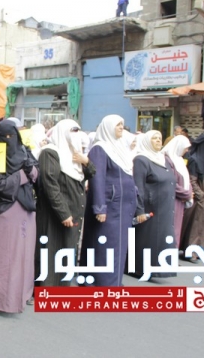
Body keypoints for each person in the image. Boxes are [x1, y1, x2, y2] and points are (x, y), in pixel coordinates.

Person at [80, 115, 138, 286]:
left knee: (119, 245)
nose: (121, 127)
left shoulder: (119, 148)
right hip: (110, 206)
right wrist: (100, 207)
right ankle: (102, 282)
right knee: (105, 245)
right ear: (108, 127)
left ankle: (114, 281)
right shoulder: (99, 149)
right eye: (117, 125)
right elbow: (97, 179)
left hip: (123, 207)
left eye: (122, 124)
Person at [0, 120, 38, 312]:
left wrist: (29, 171)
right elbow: (0, 186)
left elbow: (36, 174)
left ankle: (21, 295)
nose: (9, 140)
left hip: (26, 210)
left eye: (12, 136)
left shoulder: (25, 151)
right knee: (3, 257)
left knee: (24, 256)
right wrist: (23, 175)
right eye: (4, 137)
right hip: (4, 211)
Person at [35, 120, 94, 286]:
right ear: (63, 132)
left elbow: (91, 173)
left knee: (67, 251)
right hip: (56, 214)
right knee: (52, 250)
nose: (76, 135)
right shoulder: (50, 153)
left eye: (77, 131)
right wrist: (63, 213)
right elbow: (50, 184)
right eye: (72, 131)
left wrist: (86, 161)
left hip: (73, 212)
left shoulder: (74, 155)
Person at [131, 130, 177, 278]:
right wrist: (139, 210)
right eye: (154, 138)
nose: (158, 140)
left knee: (162, 239)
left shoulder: (162, 159)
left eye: (160, 138)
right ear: (146, 141)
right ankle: (140, 268)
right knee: (147, 239)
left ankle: (160, 268)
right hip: (150, 207)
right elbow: (138, 186)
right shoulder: (141, 160)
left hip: (164, 207)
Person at [180, 133, 204, 261]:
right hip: (199, 198)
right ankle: (190, 252)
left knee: (203, 225)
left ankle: (199, 251)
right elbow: (192, 180)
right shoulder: (194, 160)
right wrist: (200, 194)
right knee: (195, 225)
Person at [162, 135, 193, 245]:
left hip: (181, 200)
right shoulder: (167, 160)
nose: (187, 150)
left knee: (177, 230)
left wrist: (189, 191)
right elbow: (171, 182)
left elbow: (186, 179)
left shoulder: (179, 160)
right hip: (172, 200)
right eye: (185, 147)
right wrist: (186, 193)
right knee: (171, 230)